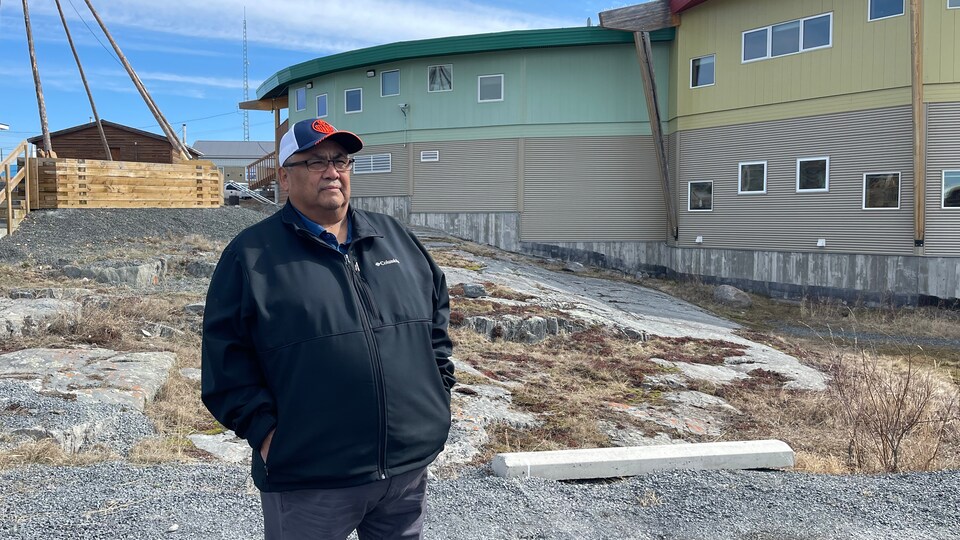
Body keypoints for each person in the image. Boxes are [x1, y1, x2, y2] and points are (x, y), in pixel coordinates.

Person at [201, 117, 455, 539]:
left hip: (406, 470)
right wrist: (268, 435)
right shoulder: (251, 256)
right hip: (311, 477)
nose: (333, 171)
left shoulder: (394, 238)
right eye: (315, 161)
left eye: (341, 160)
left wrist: (436, 395)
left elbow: (436, 321)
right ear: (284, 176)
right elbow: (225, 359)